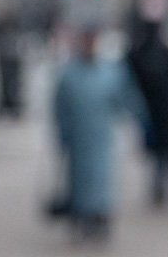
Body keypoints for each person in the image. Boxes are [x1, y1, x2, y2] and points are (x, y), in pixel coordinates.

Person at [53, 24, 145, 242]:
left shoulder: (109, 72)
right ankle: (80, 216)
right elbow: (59, 106)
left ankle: (100, 217)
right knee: (79, 179)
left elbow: (126, 98)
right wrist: (63, 133)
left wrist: (141, 121)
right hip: (78, 137)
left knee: (101, 179)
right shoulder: (69, 74)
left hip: (101, 137)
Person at [125, 0, 168, 207]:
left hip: (159, 108)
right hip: (158, 108)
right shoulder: (153, 49)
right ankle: (160, 186)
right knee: (159, 151)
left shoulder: (150, 48)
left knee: (160, 151)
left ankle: (160, 185)